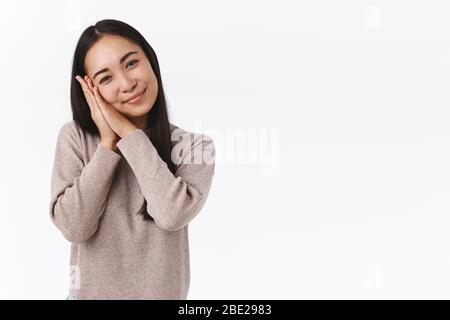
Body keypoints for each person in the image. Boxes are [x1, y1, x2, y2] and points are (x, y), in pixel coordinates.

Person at [49, 19, 215, 300]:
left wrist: (127, 132)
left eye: (131, 63)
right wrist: (107, 145)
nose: (127, 83)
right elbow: (73, 227)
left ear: (150, 60)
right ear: (90, 91)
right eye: (105, 78)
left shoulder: (194, 147)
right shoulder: (75, 139)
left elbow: (170, 214)